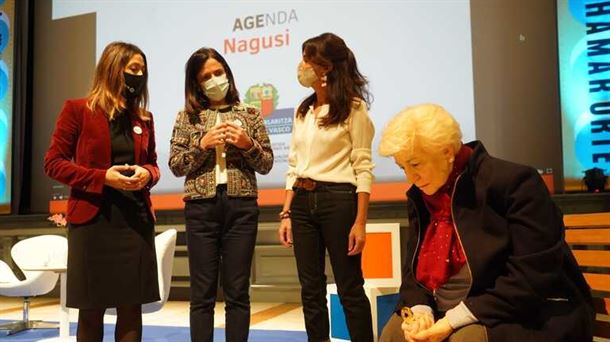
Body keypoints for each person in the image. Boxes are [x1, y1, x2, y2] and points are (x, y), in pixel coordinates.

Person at [377, 104, 594, 342]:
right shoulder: (421, 195)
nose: (410, 177)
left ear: (447, 151)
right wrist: (420, 312)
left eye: (416, 164)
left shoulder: (515, 183)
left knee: (466, 339)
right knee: (394, 335)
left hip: (532, 311)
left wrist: (452, 321)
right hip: (450, 310)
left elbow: (532, 276)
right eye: (402, 167)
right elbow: (412, 272)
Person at [44, 41, 160, 342]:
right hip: (93, 222)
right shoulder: (77, 110)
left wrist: (147, 173)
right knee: (92, 309)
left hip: (135, 221)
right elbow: (53, 163)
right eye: (133, 68)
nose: (139, 75)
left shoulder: (144, 118)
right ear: (112, 68)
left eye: (142, 70)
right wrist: (102, 178)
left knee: (131, 308)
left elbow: (154, 165)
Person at [168, 47, 273, 342]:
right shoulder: (187, 117)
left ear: (227, 72)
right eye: (206, 76)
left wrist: (246, 142)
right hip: (201, 210)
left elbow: (266, 163)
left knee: (238, 291)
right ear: (196, 83)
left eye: (218, 72)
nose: (215, 80)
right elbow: (176, 166)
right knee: (202, 293)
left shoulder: (250, 114)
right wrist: (201, 145)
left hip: (242, 208)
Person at [277, 32, 375, 342]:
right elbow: (294, 165)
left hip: (339, 201)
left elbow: (363, 167)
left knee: (349, 286)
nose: (302, 65)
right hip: (302, 202)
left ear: (327, 67)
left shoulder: (353, 109)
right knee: (310, 289)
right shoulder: (302, 110)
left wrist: (360, 222)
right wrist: (286, 212)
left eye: (309, 59)